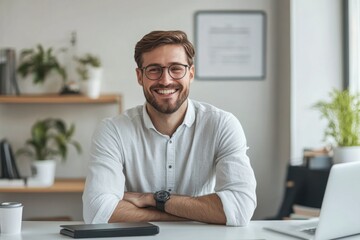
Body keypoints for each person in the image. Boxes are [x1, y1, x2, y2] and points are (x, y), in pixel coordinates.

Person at [82, 30, 257, 226]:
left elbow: (240, 208)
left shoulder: (222, 125)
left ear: (190, 73)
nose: (165, 80)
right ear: (140, 76)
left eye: (176, 69)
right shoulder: (113, 131)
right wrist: (202, 212)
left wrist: (153, 199)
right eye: (154, 69)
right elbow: (97, 212)